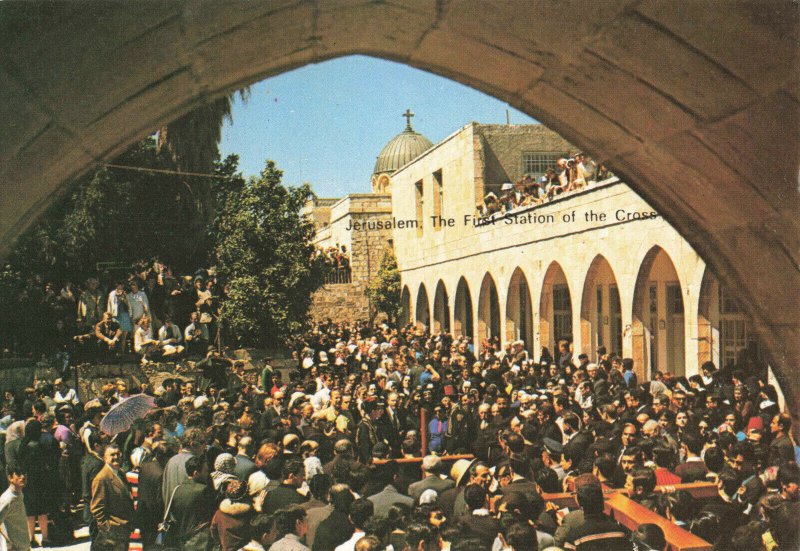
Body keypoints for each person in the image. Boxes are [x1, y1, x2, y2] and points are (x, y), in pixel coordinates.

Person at [167, 455, 216, 551]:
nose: (208, 474)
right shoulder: (203, 490)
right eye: (205, 471)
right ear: (196, 473)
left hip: (181, 540)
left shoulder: (177, 489)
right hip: (199, 541)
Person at [90, 445, 134, 551]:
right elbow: (97, 508)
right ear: (105, 458)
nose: (116, 457)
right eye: (112, 455)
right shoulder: (101, 478)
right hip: (113, 534)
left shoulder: (121, 473)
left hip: (124, 530)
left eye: (118, 454)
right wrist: (108, 529)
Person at [0, 465, 31, 551]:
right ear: (10, 478)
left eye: (24, 473)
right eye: (18, 474)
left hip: (24, 547)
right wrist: (10, 543)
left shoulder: (19, 494)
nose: (23, 477)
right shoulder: (7, 499)